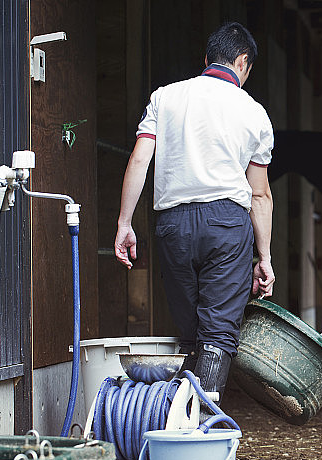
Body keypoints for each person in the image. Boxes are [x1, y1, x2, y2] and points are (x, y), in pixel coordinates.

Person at [114, 21, 275, 406]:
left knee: (190, 328)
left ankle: (182, 418)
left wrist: (124, 223)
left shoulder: (165, 97)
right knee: (217, 332)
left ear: (206, 59)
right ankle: (202, 421)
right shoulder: (254, 112)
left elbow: (140, 159)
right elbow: (260, 194)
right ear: (243, 62)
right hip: (227, 225)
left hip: (174, 225)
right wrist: (265, 257)